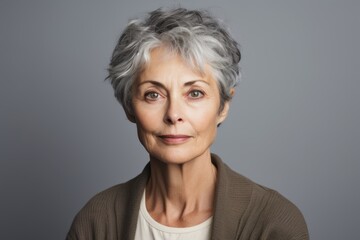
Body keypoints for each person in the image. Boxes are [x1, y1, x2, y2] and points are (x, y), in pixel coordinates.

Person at [66, 7, 309, 240]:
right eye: (153, 94)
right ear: (129, 106)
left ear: (223, 106)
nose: (173, 114)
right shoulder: (95, 221)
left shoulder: (274, 223)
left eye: (195, 93)